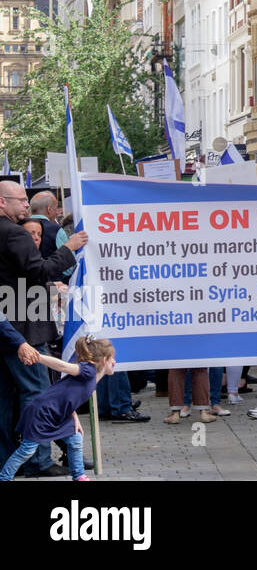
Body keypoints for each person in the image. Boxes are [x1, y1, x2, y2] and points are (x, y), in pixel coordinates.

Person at [0, 180, 86, 476]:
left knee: (5, 395)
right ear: (2, 202)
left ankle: (8, 460)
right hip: (23, 326)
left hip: (6, 325)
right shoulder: (13, 234)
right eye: (21, 200)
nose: (27, 204)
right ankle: (37, 461)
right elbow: (41, 272)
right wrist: (69, 248)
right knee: (36, 391)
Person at [0, 336, 115, 482]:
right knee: (27, 450)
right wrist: (38, 357)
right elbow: (63, 366)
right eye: (113, 358)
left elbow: (68, 397)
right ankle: (4, 477)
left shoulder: (92, 377)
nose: (115, 362)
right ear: (104, 360)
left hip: (58, 413)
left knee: (75, 439)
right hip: (43, 413)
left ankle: (79, 475)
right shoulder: (89, 370)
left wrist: (75, 419)